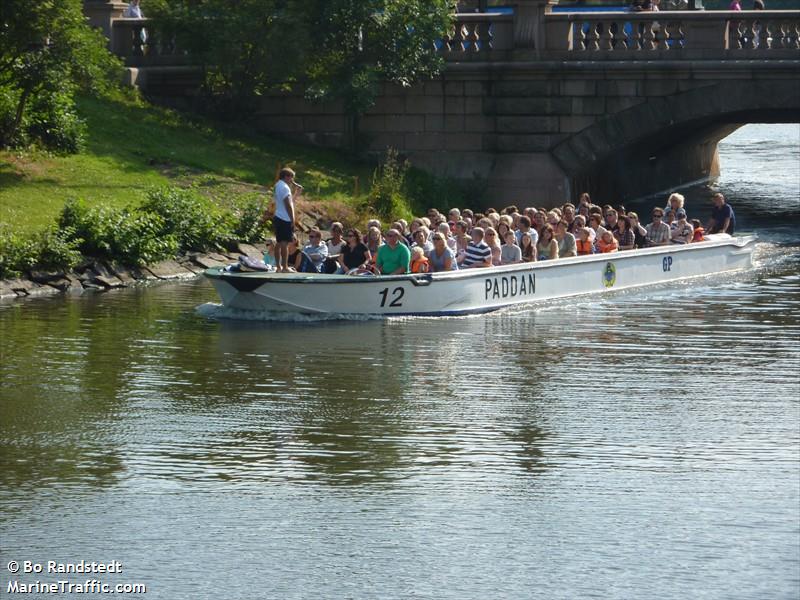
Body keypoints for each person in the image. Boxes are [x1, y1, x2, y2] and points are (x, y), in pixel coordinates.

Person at [271, 167, 300, 273]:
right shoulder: (285, 187)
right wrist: (293, 219)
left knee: (278, 243)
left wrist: (297, 192)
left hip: (278, 216)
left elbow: (290, 201)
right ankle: (285, 267)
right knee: (284, 243)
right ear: (287, 176)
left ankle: (278, 267)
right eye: (291, 177)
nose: (292, 180)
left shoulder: (278, 185)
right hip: (285, 218)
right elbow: (288, 205)